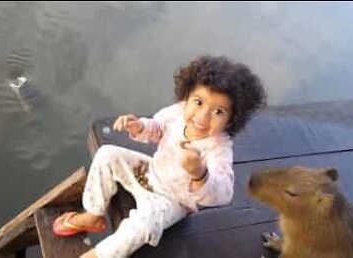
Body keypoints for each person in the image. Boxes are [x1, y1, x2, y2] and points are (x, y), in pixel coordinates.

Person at [52, 55, 267, 258]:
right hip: (148, 172)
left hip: (173, 200)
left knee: (142, 226)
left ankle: (100, 254)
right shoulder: (177, 112)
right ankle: (93, 214)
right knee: (107, 154)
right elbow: (157, 127)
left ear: (232, 119)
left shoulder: (218, 149)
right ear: (187, 95)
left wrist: (199, 173)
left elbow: (223, 193)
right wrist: (139, 127)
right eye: (198, 102)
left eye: (218, 111)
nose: (202, 117)